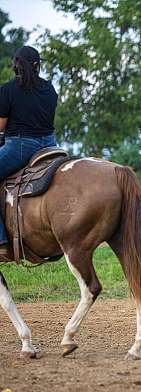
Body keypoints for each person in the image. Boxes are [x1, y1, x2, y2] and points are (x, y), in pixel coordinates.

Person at [0, 46, 58, 257]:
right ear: (36, 66)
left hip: (21, 146)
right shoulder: (50, 89)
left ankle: (1, 242)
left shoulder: (7, 90)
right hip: (51, 145)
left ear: (16, 65)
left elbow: (1, 127)